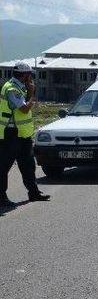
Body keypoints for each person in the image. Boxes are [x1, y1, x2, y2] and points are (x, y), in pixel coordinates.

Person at [0, 62, 50, 207]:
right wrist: (32, 94)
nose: (31, 77)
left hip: (23, 134)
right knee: (3, 167)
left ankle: (34, 193)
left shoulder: (19, 87)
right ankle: (1, 197)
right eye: (30, 74)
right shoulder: (11, 89)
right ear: (24, 75)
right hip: (11, 134)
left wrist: (28, 91)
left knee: (28, 165)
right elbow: (23, 109)